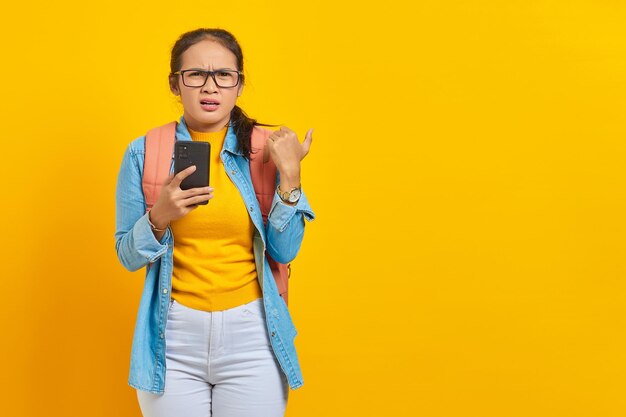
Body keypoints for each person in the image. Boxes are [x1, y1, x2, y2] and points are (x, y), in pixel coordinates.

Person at [114, 27, 315, 417]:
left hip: (253, 335)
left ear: (239, 85)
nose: (211, 87)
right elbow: (127, 255)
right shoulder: (143, 153)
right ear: (176, 83)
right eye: (196, 75)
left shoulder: (268, 149)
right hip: (171, 338)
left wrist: (290, 177)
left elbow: (285, 251)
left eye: (224, 75)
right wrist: (159, 217)